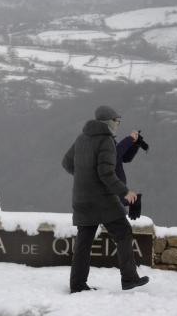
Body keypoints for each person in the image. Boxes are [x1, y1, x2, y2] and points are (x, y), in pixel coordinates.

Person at [62, 105, 150, 293]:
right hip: (102, 201)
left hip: (81, 198)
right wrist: (125, 192)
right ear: (108, 122)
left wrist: (84, 176)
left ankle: (77, 285)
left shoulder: (81, 138)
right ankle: (129, 278)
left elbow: (67, 163)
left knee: (83, 243)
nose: (118, 125)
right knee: (123, 232)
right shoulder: (106, 141)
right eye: (117, 121)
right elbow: (106, 174)